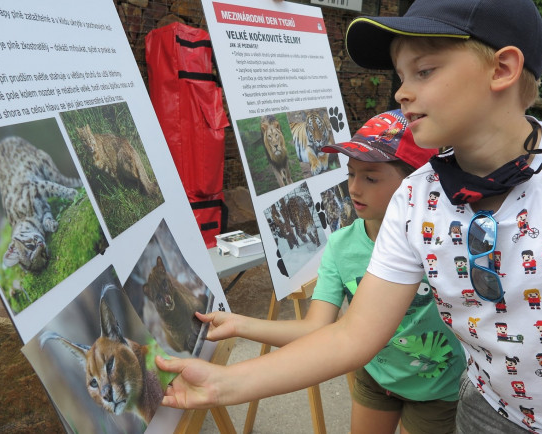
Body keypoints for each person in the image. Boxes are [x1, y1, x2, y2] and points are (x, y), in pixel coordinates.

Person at [157, 0, 542, 432]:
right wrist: (222, 384)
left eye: (424, 71)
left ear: (503, 69)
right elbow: (351, 335)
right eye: (401, 76)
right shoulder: (415, 201)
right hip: (488, 413)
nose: (403, 93)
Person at [196, 109, 465, 434]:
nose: (354, 188)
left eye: (370, 177)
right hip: (374, 375)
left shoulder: (444, 245)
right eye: (350, 174)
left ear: (417, 181)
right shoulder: (341, 245)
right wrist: (239, 324)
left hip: (435, 391)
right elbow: (316, 328)